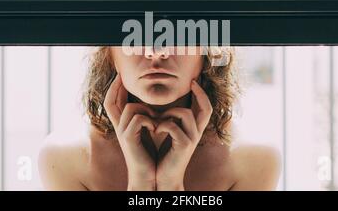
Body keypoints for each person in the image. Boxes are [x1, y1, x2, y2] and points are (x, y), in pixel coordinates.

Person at [38, 46, 280, 190]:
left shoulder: (252, 160)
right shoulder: (67, 159)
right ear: (108, 53)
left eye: (178, 32)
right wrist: (140, 185)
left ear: (208, 51)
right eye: (134, 35)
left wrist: (171, 186)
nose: (157, 51)